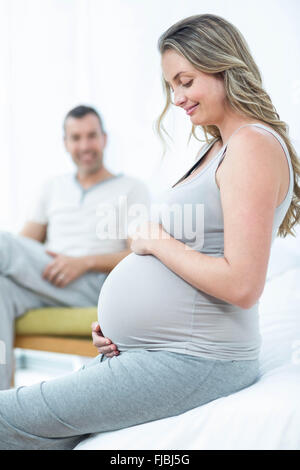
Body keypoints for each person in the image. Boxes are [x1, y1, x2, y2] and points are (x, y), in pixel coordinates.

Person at [0, 14, 299, 450]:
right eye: (171, 86)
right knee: (40, 437)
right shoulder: (221, 145)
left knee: (10, 416)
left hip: (198, 359)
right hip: (161, 351)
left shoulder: (251, 145)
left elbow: (243, 284)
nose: (177, 98)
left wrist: (155, 240)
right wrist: (128, 330)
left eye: (186, 81)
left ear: (223, 66)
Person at [0, 105, 150, 391]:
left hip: (94, 283)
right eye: (76, 137)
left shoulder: (131, 188)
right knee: (1, 288)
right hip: (47, 280)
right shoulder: (52, 187)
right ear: (65, 143)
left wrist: (82, 262)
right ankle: (4, 404)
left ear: (104, 139)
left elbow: (138, 253)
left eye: (91, 136)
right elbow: (23, 245)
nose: (85, 146)